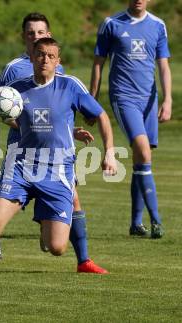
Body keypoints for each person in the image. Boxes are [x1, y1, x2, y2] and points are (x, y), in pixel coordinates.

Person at [0, 12, 108, 274]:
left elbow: (56, 108)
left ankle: (81, 258)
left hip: (55, 154)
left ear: (49, 35)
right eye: (31, 33)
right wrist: (27, 125)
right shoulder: (14, 69)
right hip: (22, 150)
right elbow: (0, 109)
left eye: (41, 32)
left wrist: (70, 130)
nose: (36, 37)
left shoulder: (56, 67)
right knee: (8, 204)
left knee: (72, 200)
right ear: (24, 37)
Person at [0, 38, 117, 309]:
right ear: (32, 57)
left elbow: (102, 115)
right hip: (21, 166)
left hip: (57, 171)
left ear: (58, 61)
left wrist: (109, 152)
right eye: (40, 55)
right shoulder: (14, 90)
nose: (44, 59)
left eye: (50, 56)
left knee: (57, 247)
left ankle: (45, 225)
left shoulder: (70, 86)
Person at [90, 0, 172, 238]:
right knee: (144, 153)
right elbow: (98, 64)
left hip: (149, 99)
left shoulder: (158, 25)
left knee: (142, 160)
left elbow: (163, 66)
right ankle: (156, 221)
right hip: (123, 97)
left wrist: (167, 100)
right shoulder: (111, 24)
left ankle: (136, 224)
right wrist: (92, 101)